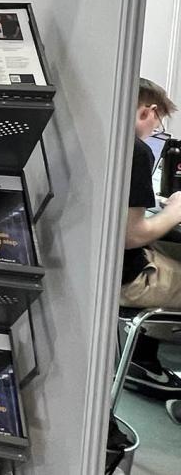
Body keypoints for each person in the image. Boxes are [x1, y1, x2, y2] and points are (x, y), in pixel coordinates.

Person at [120, 77, 181, 398]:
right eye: (157, 123)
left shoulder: (108, 142)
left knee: (169, 251)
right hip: (128, 280)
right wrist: (174, 211)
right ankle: (143, 360)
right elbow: (133, 236)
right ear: (149, 111)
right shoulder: (136, 151)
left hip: (104, 273)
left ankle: (143, 362)